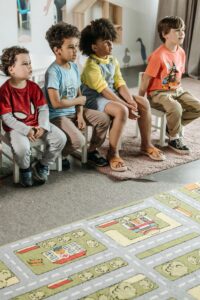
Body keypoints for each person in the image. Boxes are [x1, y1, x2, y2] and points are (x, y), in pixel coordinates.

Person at [80, 18, 165, 172]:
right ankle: (113, 153)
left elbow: (120, 83)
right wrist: (126, 105)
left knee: (143, 103)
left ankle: (146, 145)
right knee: (121, 110)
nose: (111, 44)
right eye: (106, 42)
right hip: (95, 99)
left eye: (111, 40)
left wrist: (130, 100)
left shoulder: (112, 60)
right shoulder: (91, 66)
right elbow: (104, 90)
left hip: (111, 94)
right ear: (94, 47)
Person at [44, 22, 110, 169]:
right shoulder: (53, 72)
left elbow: (78, 91)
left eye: (76, 46)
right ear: (57, 50)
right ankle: (59, 155)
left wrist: (80, 114)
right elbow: (56, 103)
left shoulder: (73, 66)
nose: (76, 51)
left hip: (74, 110)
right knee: (78, 141)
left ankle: (91, 151)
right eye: (70, 47)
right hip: (58, 116)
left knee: (104, 119)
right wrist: (79, 100)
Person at [0, 46, 66, 187]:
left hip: (37, 123)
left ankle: (42, 165)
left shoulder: (33, 87)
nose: (30, 66)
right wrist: (26, 130)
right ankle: (25, 169)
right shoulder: (4, 91)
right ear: (11, 69)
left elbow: (43, 109)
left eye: (30, 63)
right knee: (22, 149)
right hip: (16, 128)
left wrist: (42, 126)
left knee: (60, 138)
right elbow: (7, 118)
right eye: (25, 64)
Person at [139, 16, 200, 154]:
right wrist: (140, 100)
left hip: (177, 90)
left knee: (198, 107)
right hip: (158, 93)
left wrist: (179, 92)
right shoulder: (158, 55)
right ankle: (174, 138)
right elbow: (146, 79)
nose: (182, 33)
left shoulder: (181, 52)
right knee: (176, 108)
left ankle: (172, 127)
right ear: (165, 34)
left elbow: (177, 76)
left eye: (183, 30)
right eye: (177, 30)